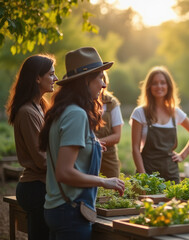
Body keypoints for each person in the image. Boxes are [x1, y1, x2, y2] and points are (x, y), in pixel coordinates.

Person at [39, 47, 125, 240]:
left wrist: (92, 146)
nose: (103, 84)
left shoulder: (63, 110)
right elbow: (64, 172)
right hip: (70, 210)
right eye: (100, 78)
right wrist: (104, 181)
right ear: (86, 80)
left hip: (57, 208)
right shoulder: (76, 114)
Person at [6, 54, 58, 240]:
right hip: (35, 188)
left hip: (44, 185)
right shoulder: (27, 112)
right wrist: (70, 167)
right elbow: (41, 159)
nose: (56, 78)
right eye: (51, 74)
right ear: (37, 77)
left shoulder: (41, 106)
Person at [130, 66, 189, 183]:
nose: (159, 86)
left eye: (163, 83)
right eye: (155, 83)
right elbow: (135, 149)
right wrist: (143, 176)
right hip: (148, 171)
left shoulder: (175, 112)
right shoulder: (140, 113)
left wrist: (182, 155)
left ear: (168, 86)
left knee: (174, 202)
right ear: (149, 87)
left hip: (171, 173)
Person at [95, 72, 124, 178]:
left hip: (108, 157)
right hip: (86, 155)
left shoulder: (112, 103)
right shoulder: (84, 101)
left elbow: (117, 136)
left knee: (112, 190)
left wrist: (95, 144)